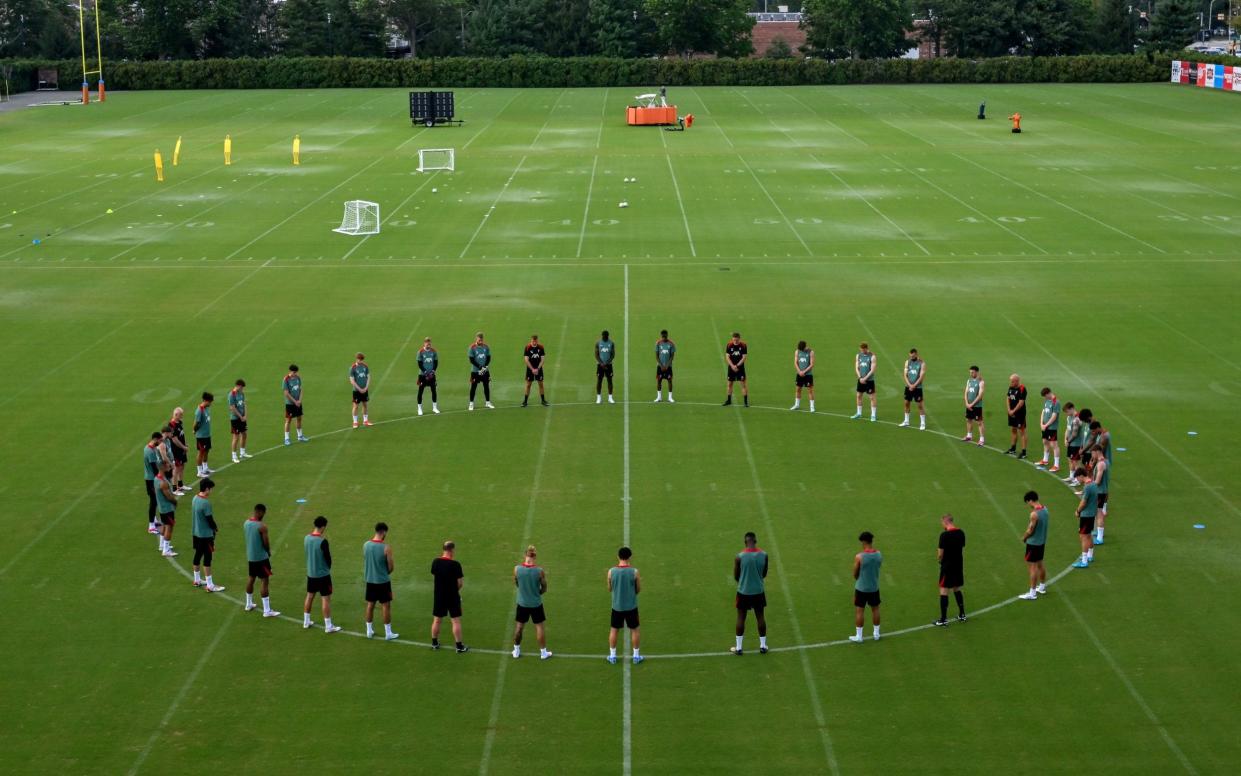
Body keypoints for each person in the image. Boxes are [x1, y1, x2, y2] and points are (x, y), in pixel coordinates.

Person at [731, 532, 769, 655]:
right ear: (755, 541)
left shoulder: (739, 557)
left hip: (743, 591)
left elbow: (736, 576)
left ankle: (739, 648)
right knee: (760, 617)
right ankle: (763, 646)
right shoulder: (764, 555)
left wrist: (743, 581)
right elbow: (764, 574)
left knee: (741, 618)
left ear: (745, 542)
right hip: (758, 591)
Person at [511, 545, 552, 659]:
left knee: (519, 627)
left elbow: (516, 583)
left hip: (522, 603)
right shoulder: (539, 571)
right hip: (536, 604)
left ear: (525, 555)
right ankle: (543, 653)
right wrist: (536, 593)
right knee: (539, 627)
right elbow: (544, 588)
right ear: (535, 557)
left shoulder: (517, 569)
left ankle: (516, 651)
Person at [304, 516, 341, 633]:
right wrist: (327, 567)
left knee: (309, 596)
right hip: (323, 575)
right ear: (323, 526)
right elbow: (328, 558)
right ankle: (328, 626)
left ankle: (306, 621)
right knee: (325, 599)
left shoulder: (306, 538)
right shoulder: (322, 541)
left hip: (311, 574)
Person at [430, 541, 468, 652]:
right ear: (451, 550)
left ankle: (434, 643)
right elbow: (460, 583)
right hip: (452, 596)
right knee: (455, 621)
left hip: (439, 596)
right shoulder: (455, 565)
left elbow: (435, 575)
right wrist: (454, 591)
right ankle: (459, 646)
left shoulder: (435, 562)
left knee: (437, 620)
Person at [607, 546, 643, 664]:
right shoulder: (634, 571)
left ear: (618, 556)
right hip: (631, 606)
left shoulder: (611, 571)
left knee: (614, 630)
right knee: (635, 630)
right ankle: (636, 656)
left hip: (617, 606)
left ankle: (612, 656)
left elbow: (609, 588)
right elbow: (638, 589)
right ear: (630, 557)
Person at [243, 504, 280, 618]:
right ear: (260, 512)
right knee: (264, 581)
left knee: (251, 578)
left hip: (251, 557)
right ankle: (267, 610)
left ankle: (248, 604)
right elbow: (266, 542)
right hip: (261, 558)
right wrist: (268, 551)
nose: (264, 515)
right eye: (263, 513)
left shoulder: (246, 523)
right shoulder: (262, 526)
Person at [364, 522, 399, 640]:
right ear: (383, 532)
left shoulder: (366, 545)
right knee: (386, 606)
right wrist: (385, 573)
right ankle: (388, 633)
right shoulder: (386, 547)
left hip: (370, 580)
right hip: (383, 581)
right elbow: (391, 567)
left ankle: (369, 631)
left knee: (370, 605)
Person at [190, 478, 225, 592]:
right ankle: (210, 585)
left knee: (198, 555)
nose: (211, 491)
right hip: (205, 535)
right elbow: (209, 519)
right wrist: (215, 528)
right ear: (206, 489)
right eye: (210, 489)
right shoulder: (206, 503)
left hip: (196, 532)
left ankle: (197, 580)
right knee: (207, 558)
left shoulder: (195, 498)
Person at [934, 514, 966, 626]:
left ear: (945, 522)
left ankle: (943, 619)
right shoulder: (961, 533)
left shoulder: (944, 535)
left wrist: (940, 560)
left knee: (943, 591)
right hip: (958, 565)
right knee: (957, 588)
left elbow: (940, 554)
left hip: (947, 566)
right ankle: (962, 614)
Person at [850, 531, 882, 643]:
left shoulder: (859, 557)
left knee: (859, 611)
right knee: (875, 609)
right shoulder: (879, 554)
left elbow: (855, 574)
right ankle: (876, 634)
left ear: (863, 541)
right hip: (874, 587)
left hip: (861, 588)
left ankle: (859, 636)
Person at [1018, 491, 1049, 600]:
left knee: (1032, 567)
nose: (1028, 505)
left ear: (1030, 500)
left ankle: (1032, 593)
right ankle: (1042, 586)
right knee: (1040, 563)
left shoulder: (1034, 514)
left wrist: (1024, 538)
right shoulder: (1045, 509)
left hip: (1033, 543)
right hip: (1041, 542)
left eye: (1028, 502)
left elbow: (1030, 530)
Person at [1073, 468, 1097, 569]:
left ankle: (1084, 560)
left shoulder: (1087, 486)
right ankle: (1090, 555)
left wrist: (1078, 511)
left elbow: (1083, 502)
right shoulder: (1093, 483)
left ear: (1081, 476)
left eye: (1077, 478)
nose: (1077, 480)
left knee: (1083, 537)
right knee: (1088, 535)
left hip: (1086, 515)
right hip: (1092, 514)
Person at [154, 468, 178, 558]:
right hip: (167, 508)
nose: (169, 467)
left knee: (165, 525)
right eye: (167, 465)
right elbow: (168, 496)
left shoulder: (156, 479)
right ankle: (166, 550)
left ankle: (162, 545)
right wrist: (175, 502)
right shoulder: (163, 482)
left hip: (161, 508)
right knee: (169, 527)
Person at [900, 348, 926, 430]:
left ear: (916, 354)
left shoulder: (922, 363)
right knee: (906, 403)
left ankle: (922, 423)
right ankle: (906, 421)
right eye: (910, 355)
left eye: (913, 355)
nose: (912, 357)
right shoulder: (907, 362)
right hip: (908, 387)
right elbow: (905, 375)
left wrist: (914, 385)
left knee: (920, 405)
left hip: (917, 388)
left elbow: (921, 377)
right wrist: (909, 385)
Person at [143, 431, 163, 535]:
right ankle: (151, 525)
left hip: (149, 478)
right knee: (153, 501)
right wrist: (160, 477)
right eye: (160, 440)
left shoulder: (148, 448)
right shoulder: (150, 452)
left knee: (154, 500)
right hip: (151, 480)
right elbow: (154, 468)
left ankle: (154, 519)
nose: (160, 442)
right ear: (155, 439)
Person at [1036, 387, 1061, 472]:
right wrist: (1041, 423)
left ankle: (1056, 465)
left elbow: (1054, 416)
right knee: (1045, 442)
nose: (1044, 398)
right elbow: (1043, 412)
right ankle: (1045, 460)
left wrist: (1046, 425)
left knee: (1054, 445)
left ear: (1048, 393)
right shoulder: (1047, 401)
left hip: (1051, 427)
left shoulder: (1056, 402)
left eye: (1045, 396)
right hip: (1045, 426)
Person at [467, 332, 494, 410]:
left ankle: (488, 402)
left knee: (486, 386)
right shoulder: (472, 347)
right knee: (473, 387)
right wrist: (480, 367)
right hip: (475, 371)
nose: (481, 341)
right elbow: (471, 360)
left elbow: (488, 357)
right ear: (476, 339)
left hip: (485, 370)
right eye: (479, 340)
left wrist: (485, 367)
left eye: (482, 340)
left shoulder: (486, 347)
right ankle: (471, 404)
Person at [851, 342, 877, 421]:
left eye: (863, 349)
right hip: (861, 379)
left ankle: (873, 415)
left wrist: (865, 378)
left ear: (866, 348)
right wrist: (860, 378)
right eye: (861, 349)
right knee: (858, 396)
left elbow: (872, 370)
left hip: (869, 380)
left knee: (872, 397)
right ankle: (859, 413)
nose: (862, 351)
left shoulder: (872, 356)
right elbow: (856, 367)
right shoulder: (858, 355)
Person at [282, 364, 308, 445]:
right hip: (290, 404)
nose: (295, 373)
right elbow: (286, 393)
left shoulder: (298, 378)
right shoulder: (286, 379)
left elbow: (300, 389)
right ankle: (286, 438)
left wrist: (299, 400)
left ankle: (300, 436)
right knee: (288, 420)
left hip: (298, 402)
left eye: (296, 372)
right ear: (290, 371)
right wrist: (295, 401)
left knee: (299, 418)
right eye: (294, 372)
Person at [1004, 375, 1028, 459]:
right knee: (1013, 430)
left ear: (1017, 381)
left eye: (1012, 381)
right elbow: (1007, 398)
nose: (1011, 383)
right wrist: (1009, 410)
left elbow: (1021, 403)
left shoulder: (1022, 389)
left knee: (1022, 432)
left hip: (1020, 414)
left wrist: (1013, 411)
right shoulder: (1011, 387)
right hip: (1011, 413)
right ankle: (1013, 448)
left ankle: (1024, 452)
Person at [1090, 446, 1110, 545]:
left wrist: (1089, 485)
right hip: (1103, 491)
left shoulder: (1101, 464)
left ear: (1097, 452)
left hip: (1099, 491)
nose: (1092, 455)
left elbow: (1097, 481)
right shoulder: (1105, 461)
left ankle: (1100, 537)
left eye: (1092, 453)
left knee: (1099, 513)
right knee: (1099, 512)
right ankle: (1098, 532)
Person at [522, 334, 549, 407]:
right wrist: (532, 369)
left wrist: (537, 368)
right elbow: (526, 360)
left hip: (538, 368)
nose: (534, 342)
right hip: (530, 369)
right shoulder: (527, 347)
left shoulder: (541, 347)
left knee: (541, 384)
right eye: (533, 341)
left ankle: (543, 401)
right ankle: (525, 401)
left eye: (536, 341)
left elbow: (542, 359)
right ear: (531, 340)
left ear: (537, 340)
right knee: (528, 385)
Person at [722, 332, 748, 407]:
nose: (735, 341)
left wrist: (737, 365)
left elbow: (744, 357)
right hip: (731, 368)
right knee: (729, 384)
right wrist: (732, 366)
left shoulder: (743, 345)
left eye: (736, 340)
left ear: (739, 338)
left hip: (740, 368)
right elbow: (727, 356)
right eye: (734, 340)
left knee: (743, 384)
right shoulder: (729, 345)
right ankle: (729, 400)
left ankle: (745, 402)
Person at [416, 337, 440, 416]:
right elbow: (419, 364)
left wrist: (433, 371)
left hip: (432, 375)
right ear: (424, 343)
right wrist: (425, 372)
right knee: (420, 391)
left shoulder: (433, 351)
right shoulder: (420, 352)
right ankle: (419, 408)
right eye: (427, 343)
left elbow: (436, 362)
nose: (428, 345)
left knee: (434, 390)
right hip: (422, 375)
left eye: (429, 343)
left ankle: (435, 407)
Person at [228, 379, 251, 464]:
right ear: (238, 386)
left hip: (242, 418)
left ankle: (242, 452)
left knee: (244, 434)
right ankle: (234, 456)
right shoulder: (232, 394)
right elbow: (232, 408)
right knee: (236, 437)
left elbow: (244, 404)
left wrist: (245, 415)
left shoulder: (241, 393)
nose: (242, 389)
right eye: (241, 387)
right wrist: (241, 416)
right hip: (235, 419)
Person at [168, 407, 190, 493]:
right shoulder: (171, 425)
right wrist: (183, 447)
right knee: (176, 468)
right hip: (175, 450)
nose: (182, 416)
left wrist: (185, 444)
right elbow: (174, 439)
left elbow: (181, 434)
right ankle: (174, 488)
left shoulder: (179, 422)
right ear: (176, 414)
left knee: (182, 466)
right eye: (180, 415)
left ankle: (180, 484)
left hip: (181, 449)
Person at [962, 365, 985, 446]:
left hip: (977, 406)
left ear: (977, 372)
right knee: (968, 420)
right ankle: (969, 436)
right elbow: (966, 392)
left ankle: (982, 439)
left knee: (979, 422)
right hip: (969, 405)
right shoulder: (969, 380)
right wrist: (966, 403)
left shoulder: (981, 382)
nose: (971, 374)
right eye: (970, 372)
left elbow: (980, 395)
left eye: (972, 372)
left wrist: (971, 404)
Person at [193, 392, 214, 477]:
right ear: (205, 401)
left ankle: (205, 468)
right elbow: (196, 423)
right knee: (201, 452)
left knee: (206, 451)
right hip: (201, 436)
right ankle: (199, 471)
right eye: (210, 402)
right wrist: (194, 430)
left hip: (207, 434)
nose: (211, 403)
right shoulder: (199, 410)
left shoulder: (206, 408)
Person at [1062, 403, 1083, 485]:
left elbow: (1075, 434)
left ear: (1072, 409)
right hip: (1070, 443)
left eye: (1067, 411)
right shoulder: (1069, 418)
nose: (1066, 414)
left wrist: (1068, 441)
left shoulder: (1077, 419)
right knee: (1070, 459)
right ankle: (1072, 476)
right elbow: (1067, 429)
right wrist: (1065, 439)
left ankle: (1078, 480)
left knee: (1076, 462)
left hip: (1076, 444)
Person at [791, 341, 815, 412]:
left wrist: (804, 372)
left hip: (808, 375)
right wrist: (799, 371)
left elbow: (812, 364)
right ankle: (797, 405)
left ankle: (812, 406)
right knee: (798, 389)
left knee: (810, 390)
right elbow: (795, 362)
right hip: (799, 374)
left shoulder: (811, 352)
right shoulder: (797, 351)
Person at [350, 353, 372, 428]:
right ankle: (355, 422)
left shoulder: (365, 366)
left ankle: (365, 421)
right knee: (355, 406)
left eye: (361, 359)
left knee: (365, 405)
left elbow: (368, 377)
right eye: (359, 359)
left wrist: (366, 387)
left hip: (365, 389)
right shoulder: (353, 367)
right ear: (356, 359)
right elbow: (352, 381)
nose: (360, 361)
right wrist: (359, 389)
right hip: (356, 390)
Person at [654, 330, 676, 403]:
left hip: (668, 367)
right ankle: (659, 397)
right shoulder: (658, 343)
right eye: (663, 337)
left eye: (665, 336)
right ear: (661, 336)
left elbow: (672, 356)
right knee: (659, 381)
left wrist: (667, 365)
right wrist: (661, 365)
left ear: (667, 335)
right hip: (660, 366)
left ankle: (670, 397)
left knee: (669, 381)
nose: (664, 338)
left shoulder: (671, 344)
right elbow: (657, 356)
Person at [596, 330, 616, 405]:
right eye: (604, 336)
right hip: (600, 365)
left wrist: (607, 363)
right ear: (602, 336)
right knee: (599, 380)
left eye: (606, 336)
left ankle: (610, 398)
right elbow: (596, 354)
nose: (605, 337)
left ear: (608, 336)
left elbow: (613, 354)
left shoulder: (611, 343)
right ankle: (598, 398)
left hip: (609, 365)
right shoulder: (598, 343)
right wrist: (601, 363)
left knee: (609, 380)